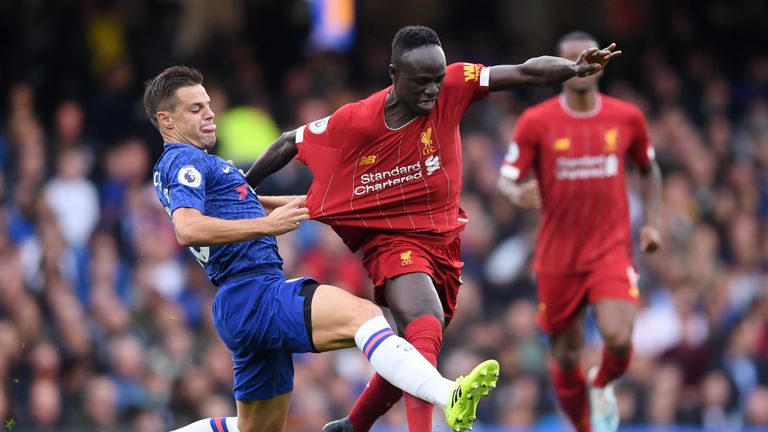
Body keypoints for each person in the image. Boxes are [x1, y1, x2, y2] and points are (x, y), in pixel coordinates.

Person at [244, 26, 621, 432]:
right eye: (421, 82)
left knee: (416, 344)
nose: (433, 91)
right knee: (424, 320)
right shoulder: (358, 120)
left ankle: (352, 426)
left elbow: (527, 73)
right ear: (394, 75)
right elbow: (287, 141)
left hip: (442, 238)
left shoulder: (455, 85)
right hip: (389, 239)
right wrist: (242, 189)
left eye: (437, 80)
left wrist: (573, 68)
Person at [143, 65, 500, 432]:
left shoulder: (202, 163)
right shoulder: (182, 161)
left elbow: (239, 200)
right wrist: (268, 225)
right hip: (254, 293)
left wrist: (308, 205)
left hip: (241, 304)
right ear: (166, 121)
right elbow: (187, 228)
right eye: (195, 109)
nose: (210, 113)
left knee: (258, 429)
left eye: (208, 104)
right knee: (365, 316)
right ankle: (448, 394)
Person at [496, 31, 663, 432]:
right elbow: (505, 179)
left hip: (611, 249)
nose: (582, 65)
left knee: (619, 338)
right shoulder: (537, 122)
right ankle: (585, 428)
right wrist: (517, 194)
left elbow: (648, 168)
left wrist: (654, 222)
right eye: (572, 60)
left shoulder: (627, 117)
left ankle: (601, 382)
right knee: (567, 356)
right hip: (558, 256)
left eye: (588, 58)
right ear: (560, 67)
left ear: (603, 63)